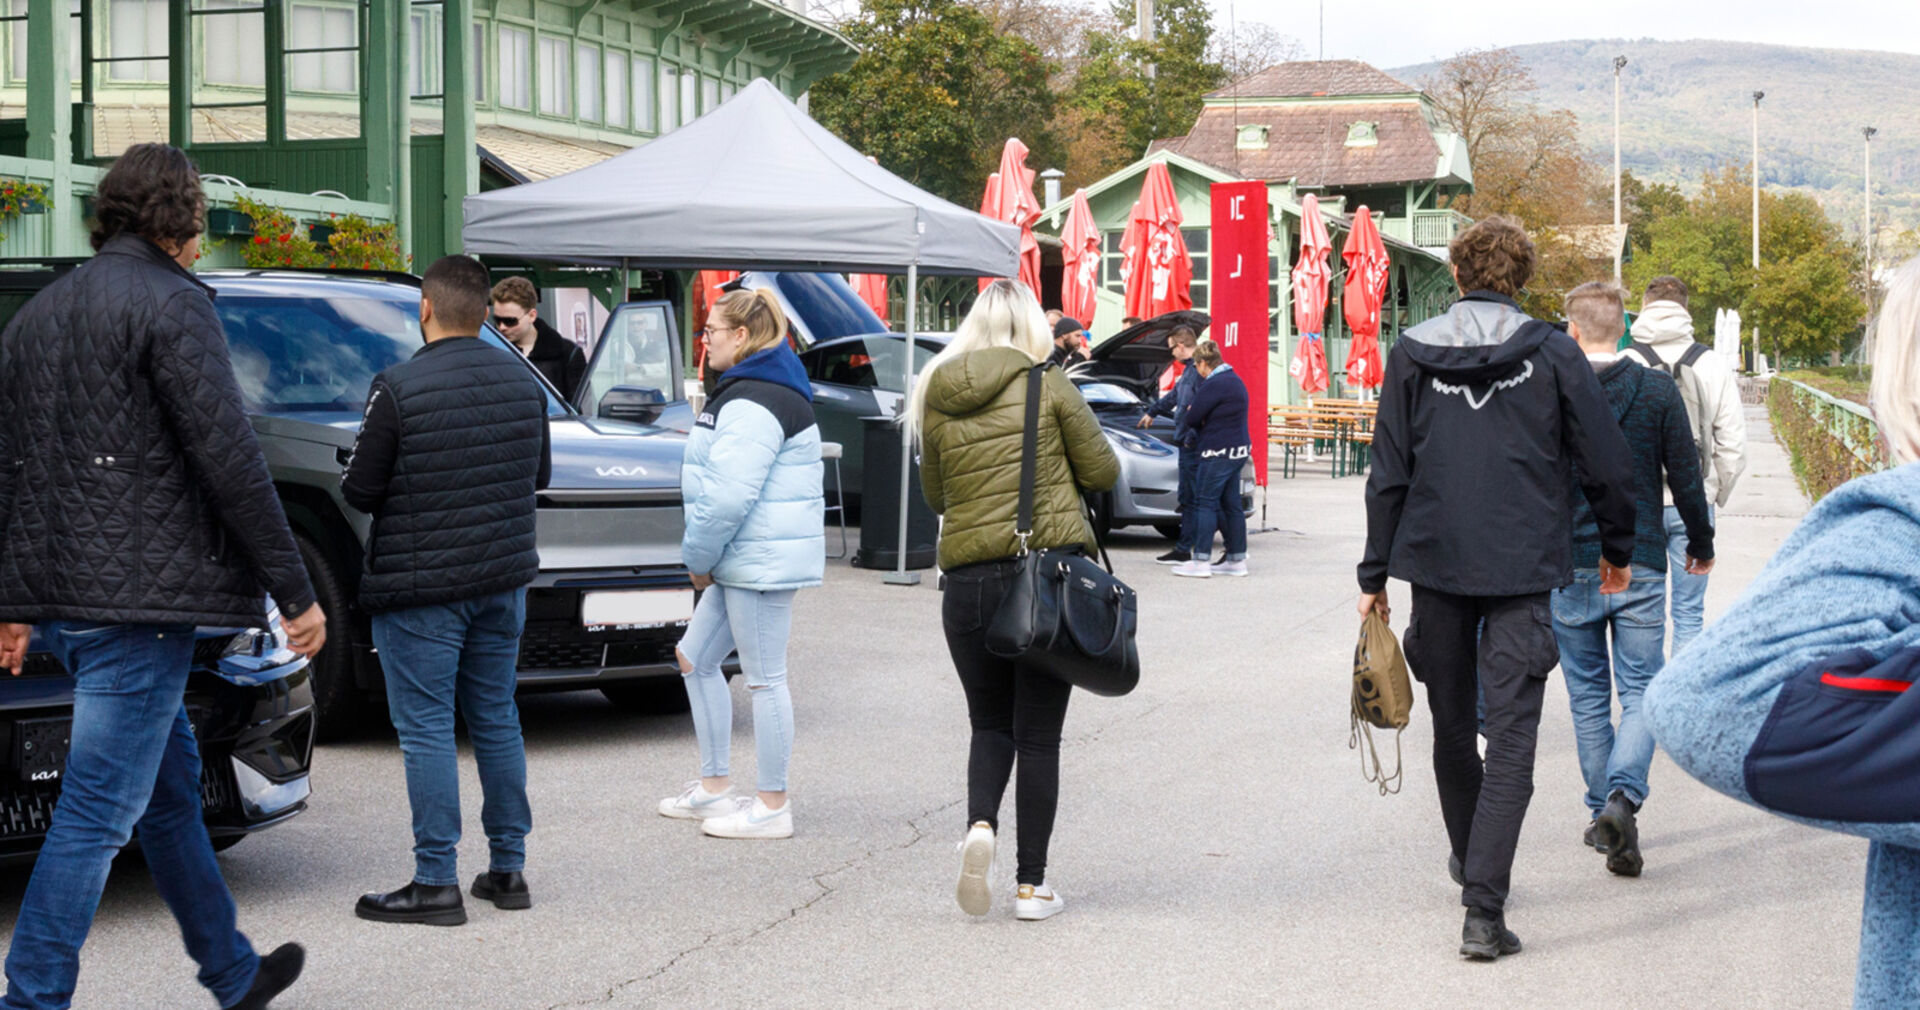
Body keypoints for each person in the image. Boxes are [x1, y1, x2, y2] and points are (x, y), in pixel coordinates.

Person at [0, 143, 322, 1010]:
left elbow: (12, 471)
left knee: (169, 791)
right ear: (181, 221)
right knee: (98, 814)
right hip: (135, 607)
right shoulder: (173, 306)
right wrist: (293, 590)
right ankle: (29, 999)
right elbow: (230, 458)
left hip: (71, 602)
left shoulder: (39, 312)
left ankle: (231, 972)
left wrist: (16, 602)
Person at [1355, 216, 1637, 960]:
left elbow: (1389, 469)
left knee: (1453, 728)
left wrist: (1373, 573)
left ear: (1457, 271)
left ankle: (1470, 859)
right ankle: (1483, 908)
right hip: (1521, 568)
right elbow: (1605, 461)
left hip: (1437, 565)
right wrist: (1617, 549)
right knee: (1511, 736)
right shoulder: (1551, 352)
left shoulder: (1412, 351)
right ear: (1523, 274)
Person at [1646, 256, 1920, 1008]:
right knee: (1681, 626)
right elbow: (1726, 438)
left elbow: (1710, 697)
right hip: (1685, 511)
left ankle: (1613, 790)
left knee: (1630, 680)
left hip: (1589, 543)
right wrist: (1711, 509)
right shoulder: (1705, 364)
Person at [344, 255, 552, 926]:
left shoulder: (398, 386)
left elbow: (362, 490)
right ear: (485, 312)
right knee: (495, 716)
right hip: (503, 578)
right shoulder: (525, 383)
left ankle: (436, 881)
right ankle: (508, 868)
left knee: (428, 728)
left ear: (425, 309)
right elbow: (538, 473)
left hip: (421, 586)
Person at [905, 280, 1119, 921]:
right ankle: (1031, 886)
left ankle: (979, 825)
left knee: (988, 724)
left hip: (966, 586)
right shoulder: (1047, 383)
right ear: (1032, 327)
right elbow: (1104, 472)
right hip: (1041, 582)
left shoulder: (935, 393)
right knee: (1040, 737)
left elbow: (939, 499)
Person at [1551, 282, 1715, 879]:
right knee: (1643, 689)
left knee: (1588, 698)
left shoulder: (1554, 390)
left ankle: (1604, 813)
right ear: (1623, 330)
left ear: (1572, 331)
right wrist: (1700, 541)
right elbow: (1686, 474)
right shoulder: (1654, 388)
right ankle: (1622, 801)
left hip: (1568, 562)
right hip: (1641, 558)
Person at [659, 288, 823, 840]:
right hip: (743, 559)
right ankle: (713, 790)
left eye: (713, 331)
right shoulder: (751, 390)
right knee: (694, 657)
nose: (706, 339)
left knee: (765, 679)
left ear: (744, 337)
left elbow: (729, 495)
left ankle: (773, 805)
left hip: (756, 562)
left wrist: (697, 558)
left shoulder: (756, 398)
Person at [1622, 276, 1747, 654]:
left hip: (1638, 507)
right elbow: (1733, 444)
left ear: (1644, 308)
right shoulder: (1711, 363)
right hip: (1693, 504)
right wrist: (1713, 492)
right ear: (1686, 310)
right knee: (1690, 613)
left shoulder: (1626, 361)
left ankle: (1645, 702)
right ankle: (1679, 702)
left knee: (1642, 612)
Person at [1170, 339, 1250, 579]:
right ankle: (1237, 560)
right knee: (1232, 504)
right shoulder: (1235, 380)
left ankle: (1200, 561)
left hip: (1216, 452)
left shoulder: (1214, 384)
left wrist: (1195, 413)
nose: (1198, 371)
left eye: (1198, 366)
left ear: (1204, 363)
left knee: (1205, 503)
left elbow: (1191, 417)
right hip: (1238, 451)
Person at [1138, 326, 1204, 565]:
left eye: (1171, 349)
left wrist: (1190, 435)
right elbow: (1175, 396)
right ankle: (1190, 547)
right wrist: (1152, 411)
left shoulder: (1199, 370)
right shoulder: (1189, 371)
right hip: (1188, 440)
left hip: (1192, 444)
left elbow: (1202, 407)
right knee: (1190, 497)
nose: (1171, 355)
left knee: (1191, 497)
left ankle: (1187, 548)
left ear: (1180, 345)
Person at [490, 275, 589, 400]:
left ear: (531, 315)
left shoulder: (567, 354)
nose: (502, 327)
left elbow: (581, 407)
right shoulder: (490, 351)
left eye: (510, 321)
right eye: (497, 320)